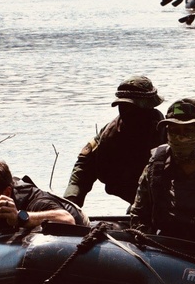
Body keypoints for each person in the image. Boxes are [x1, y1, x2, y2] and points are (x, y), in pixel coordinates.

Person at [129, 98, 195, 245]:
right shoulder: (157, 164)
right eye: (174, 130)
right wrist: (146, 242)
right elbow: (139, 214)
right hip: (167, 247)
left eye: (188, 130)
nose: (181, 137)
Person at [63, 75, 165, 208]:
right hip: (132, 193)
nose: (126, 112)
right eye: (122, 106)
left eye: (132, 107)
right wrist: (71, 202)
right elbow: (83, 167)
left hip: (166, 196)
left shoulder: (169, 132)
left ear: (148, 107)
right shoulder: (109, 134)